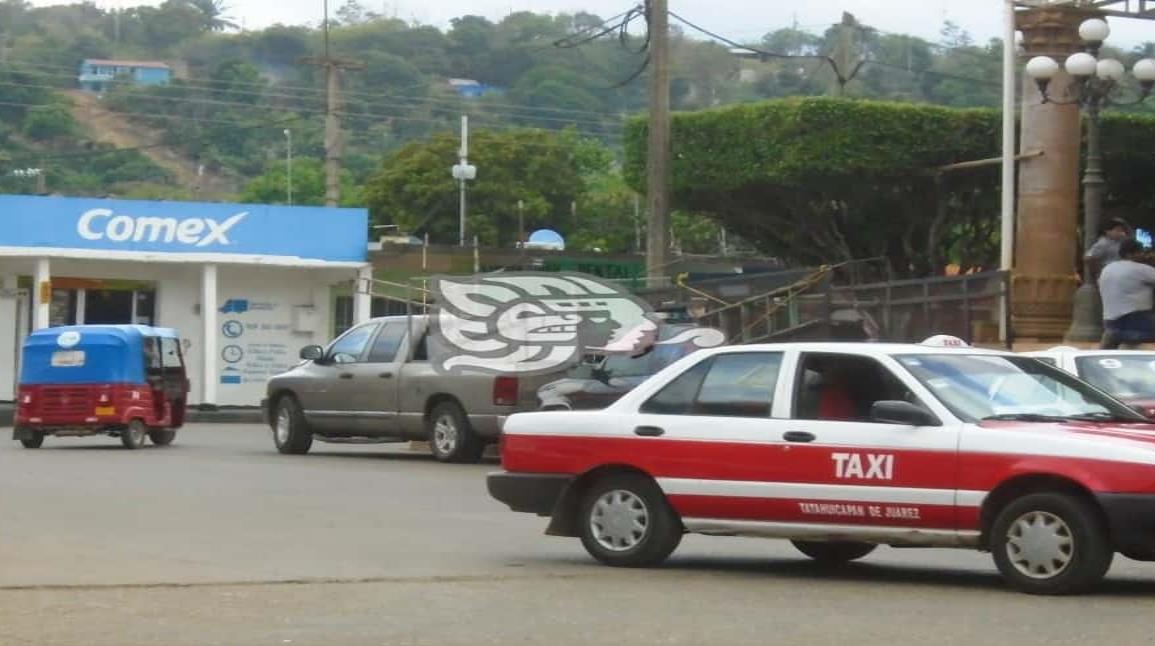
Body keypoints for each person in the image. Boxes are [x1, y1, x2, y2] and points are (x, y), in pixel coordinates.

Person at [1099, 238, 1155, 350]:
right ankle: (1122, 337)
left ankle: (1115, 335)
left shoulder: (1107, 268)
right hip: (1133, 319)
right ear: (1130, 254)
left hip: (1109, 321)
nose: (1143, 255)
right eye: (1141, 252)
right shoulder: (1141, 269)